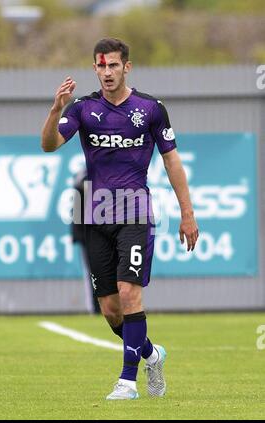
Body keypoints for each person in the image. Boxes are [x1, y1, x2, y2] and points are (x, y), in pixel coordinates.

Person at [41, 38, 199, 400]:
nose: (107, 72)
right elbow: (48, 145)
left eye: (113, 65)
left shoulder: (151, 109)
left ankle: (128, 381)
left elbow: (171, 161)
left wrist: (187, 213)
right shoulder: (82, 109)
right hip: (95, 215)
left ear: (127, 67)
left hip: (135, 211)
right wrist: (55, 110)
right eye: (101, 66)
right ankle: (151, 354)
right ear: (94, 69)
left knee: (130, 295)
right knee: (112, 311)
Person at [71, 168, 100, 314]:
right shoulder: (82, 178)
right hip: (88, 235)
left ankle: (120, 308)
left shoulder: (109, 174)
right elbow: (77, 208)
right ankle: (96, 308)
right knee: (93, 274)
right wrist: (78, 235)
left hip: (110, 232)